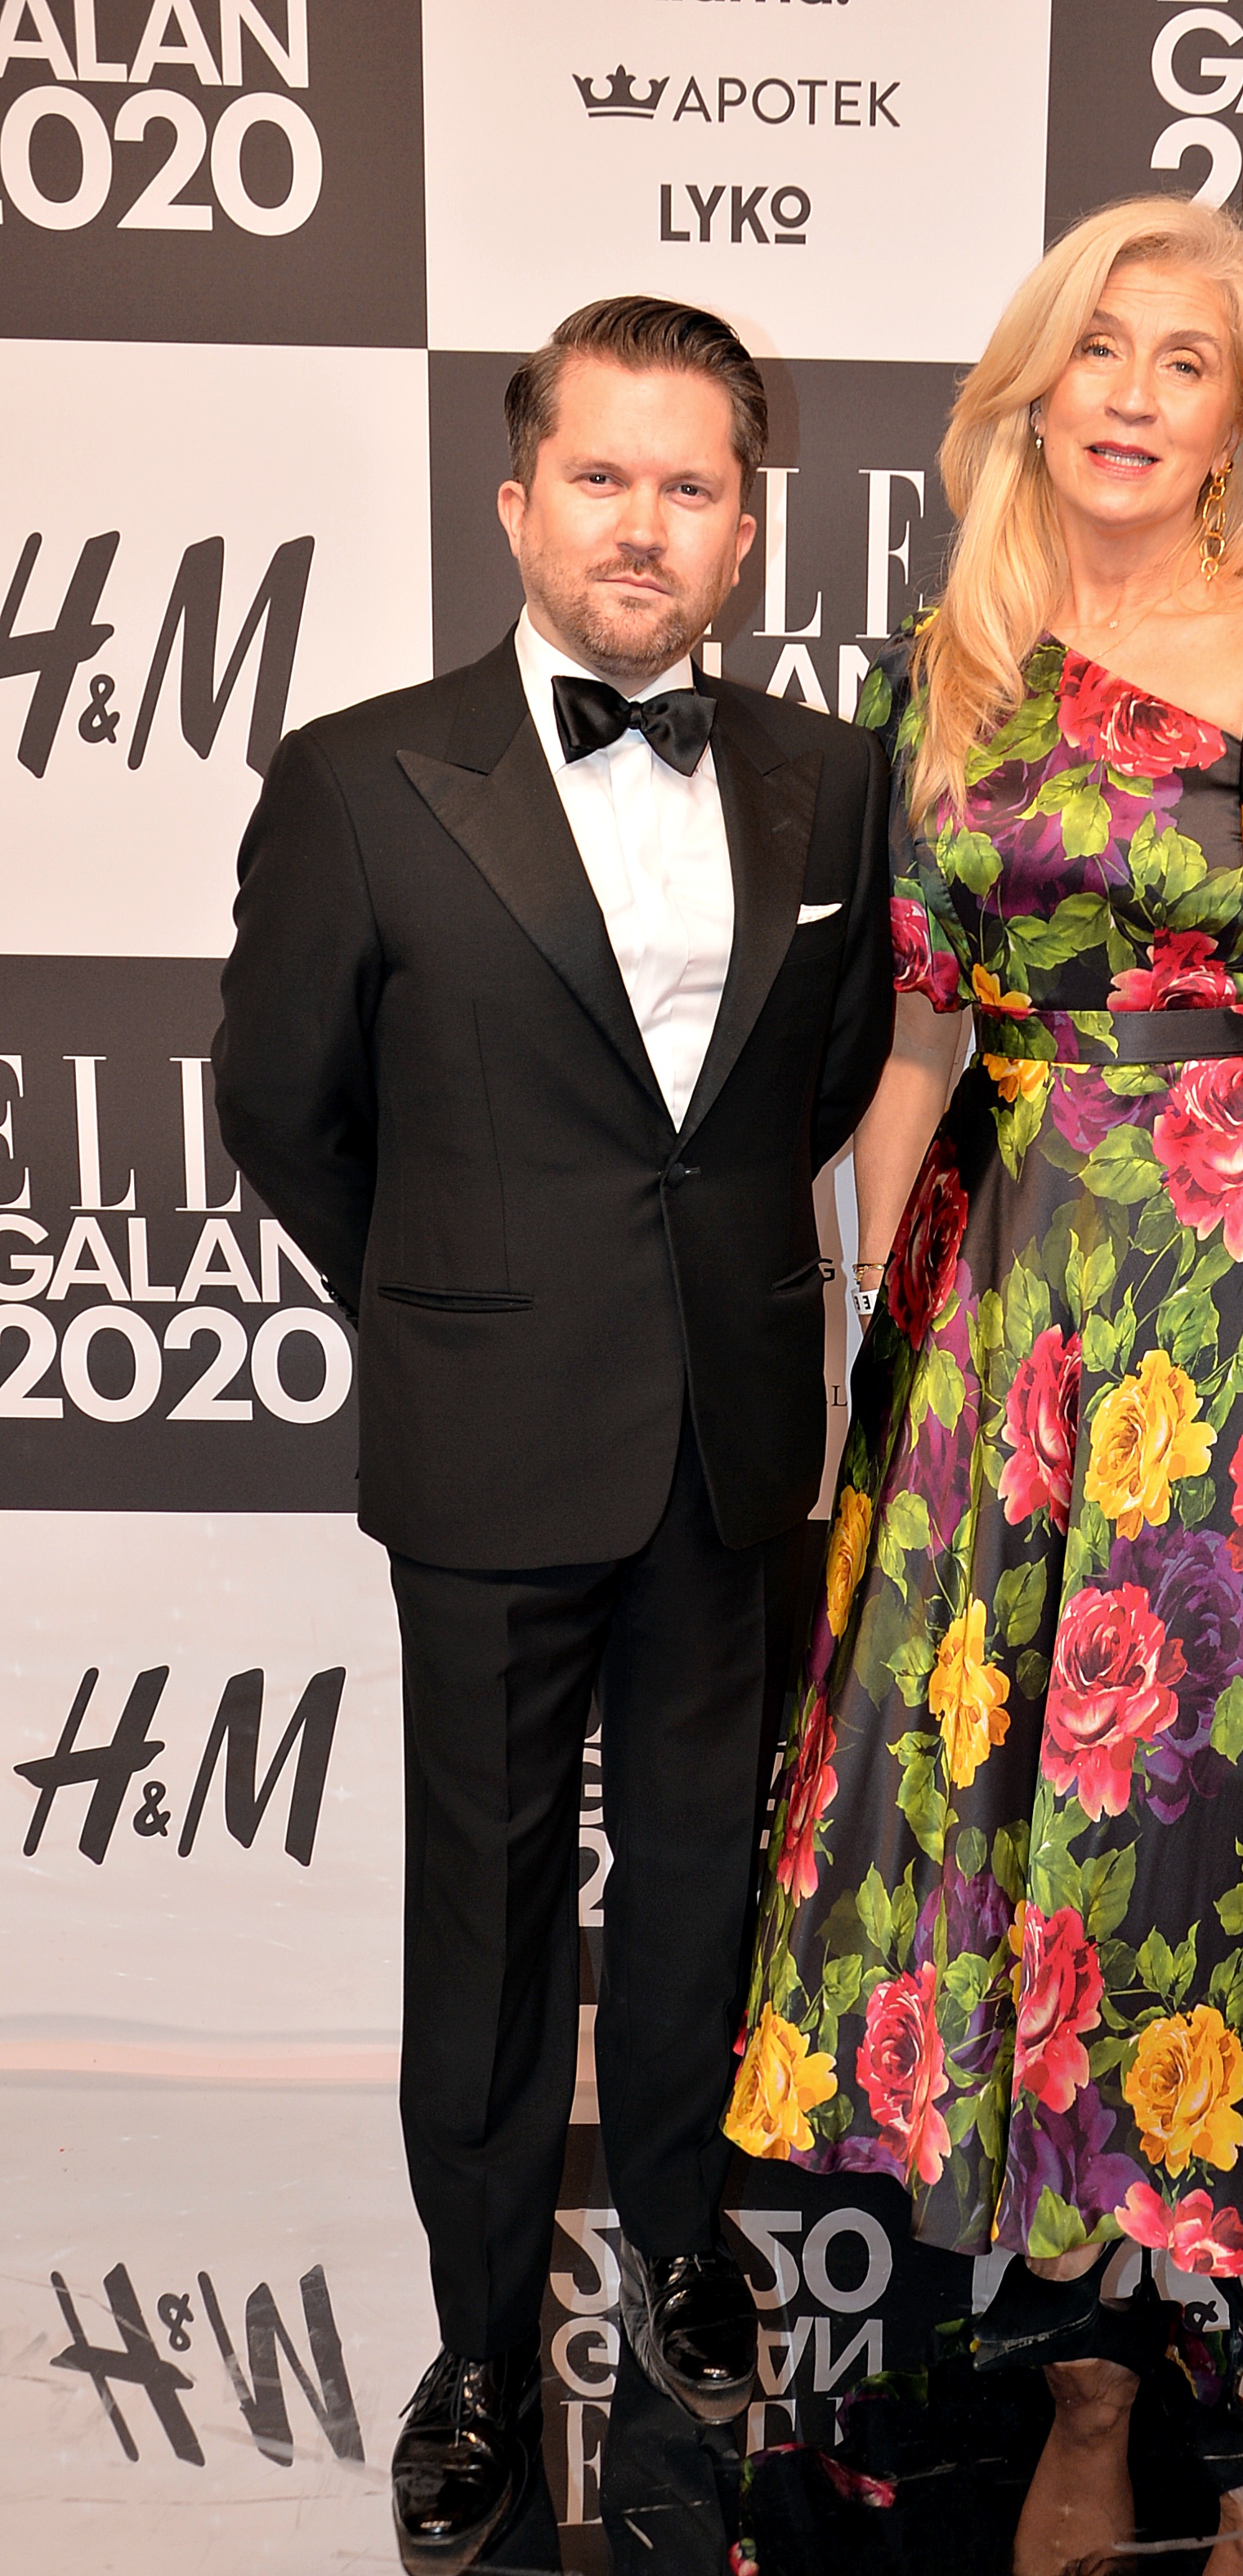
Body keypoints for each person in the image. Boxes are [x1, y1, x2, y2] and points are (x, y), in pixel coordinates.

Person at [725, 197, 1243, 2576]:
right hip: (1003, 1311)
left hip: (1235, 1304)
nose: (1133, 395)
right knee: (1017, 1818)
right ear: (1034, 383)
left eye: (1187, 362)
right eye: (1101, 348)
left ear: (1234, 424)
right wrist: (858, 1321)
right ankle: (1091, 2321)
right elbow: (915, 1034)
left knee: (1209, 1811)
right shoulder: (948, 678)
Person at [213, 296, 892, 2570]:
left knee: (705, 1886)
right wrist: (455, 1303)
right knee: (489, 1923)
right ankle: (483, 2347)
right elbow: (284, 1110)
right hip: (491, 1446)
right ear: (516, 503)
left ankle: (689, 2255)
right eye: (601, 475)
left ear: (744, 530)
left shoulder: (832, 780)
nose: (642, 523)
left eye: (690, 485)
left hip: (732, 1439)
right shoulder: (359, 780)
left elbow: (811, 1090)